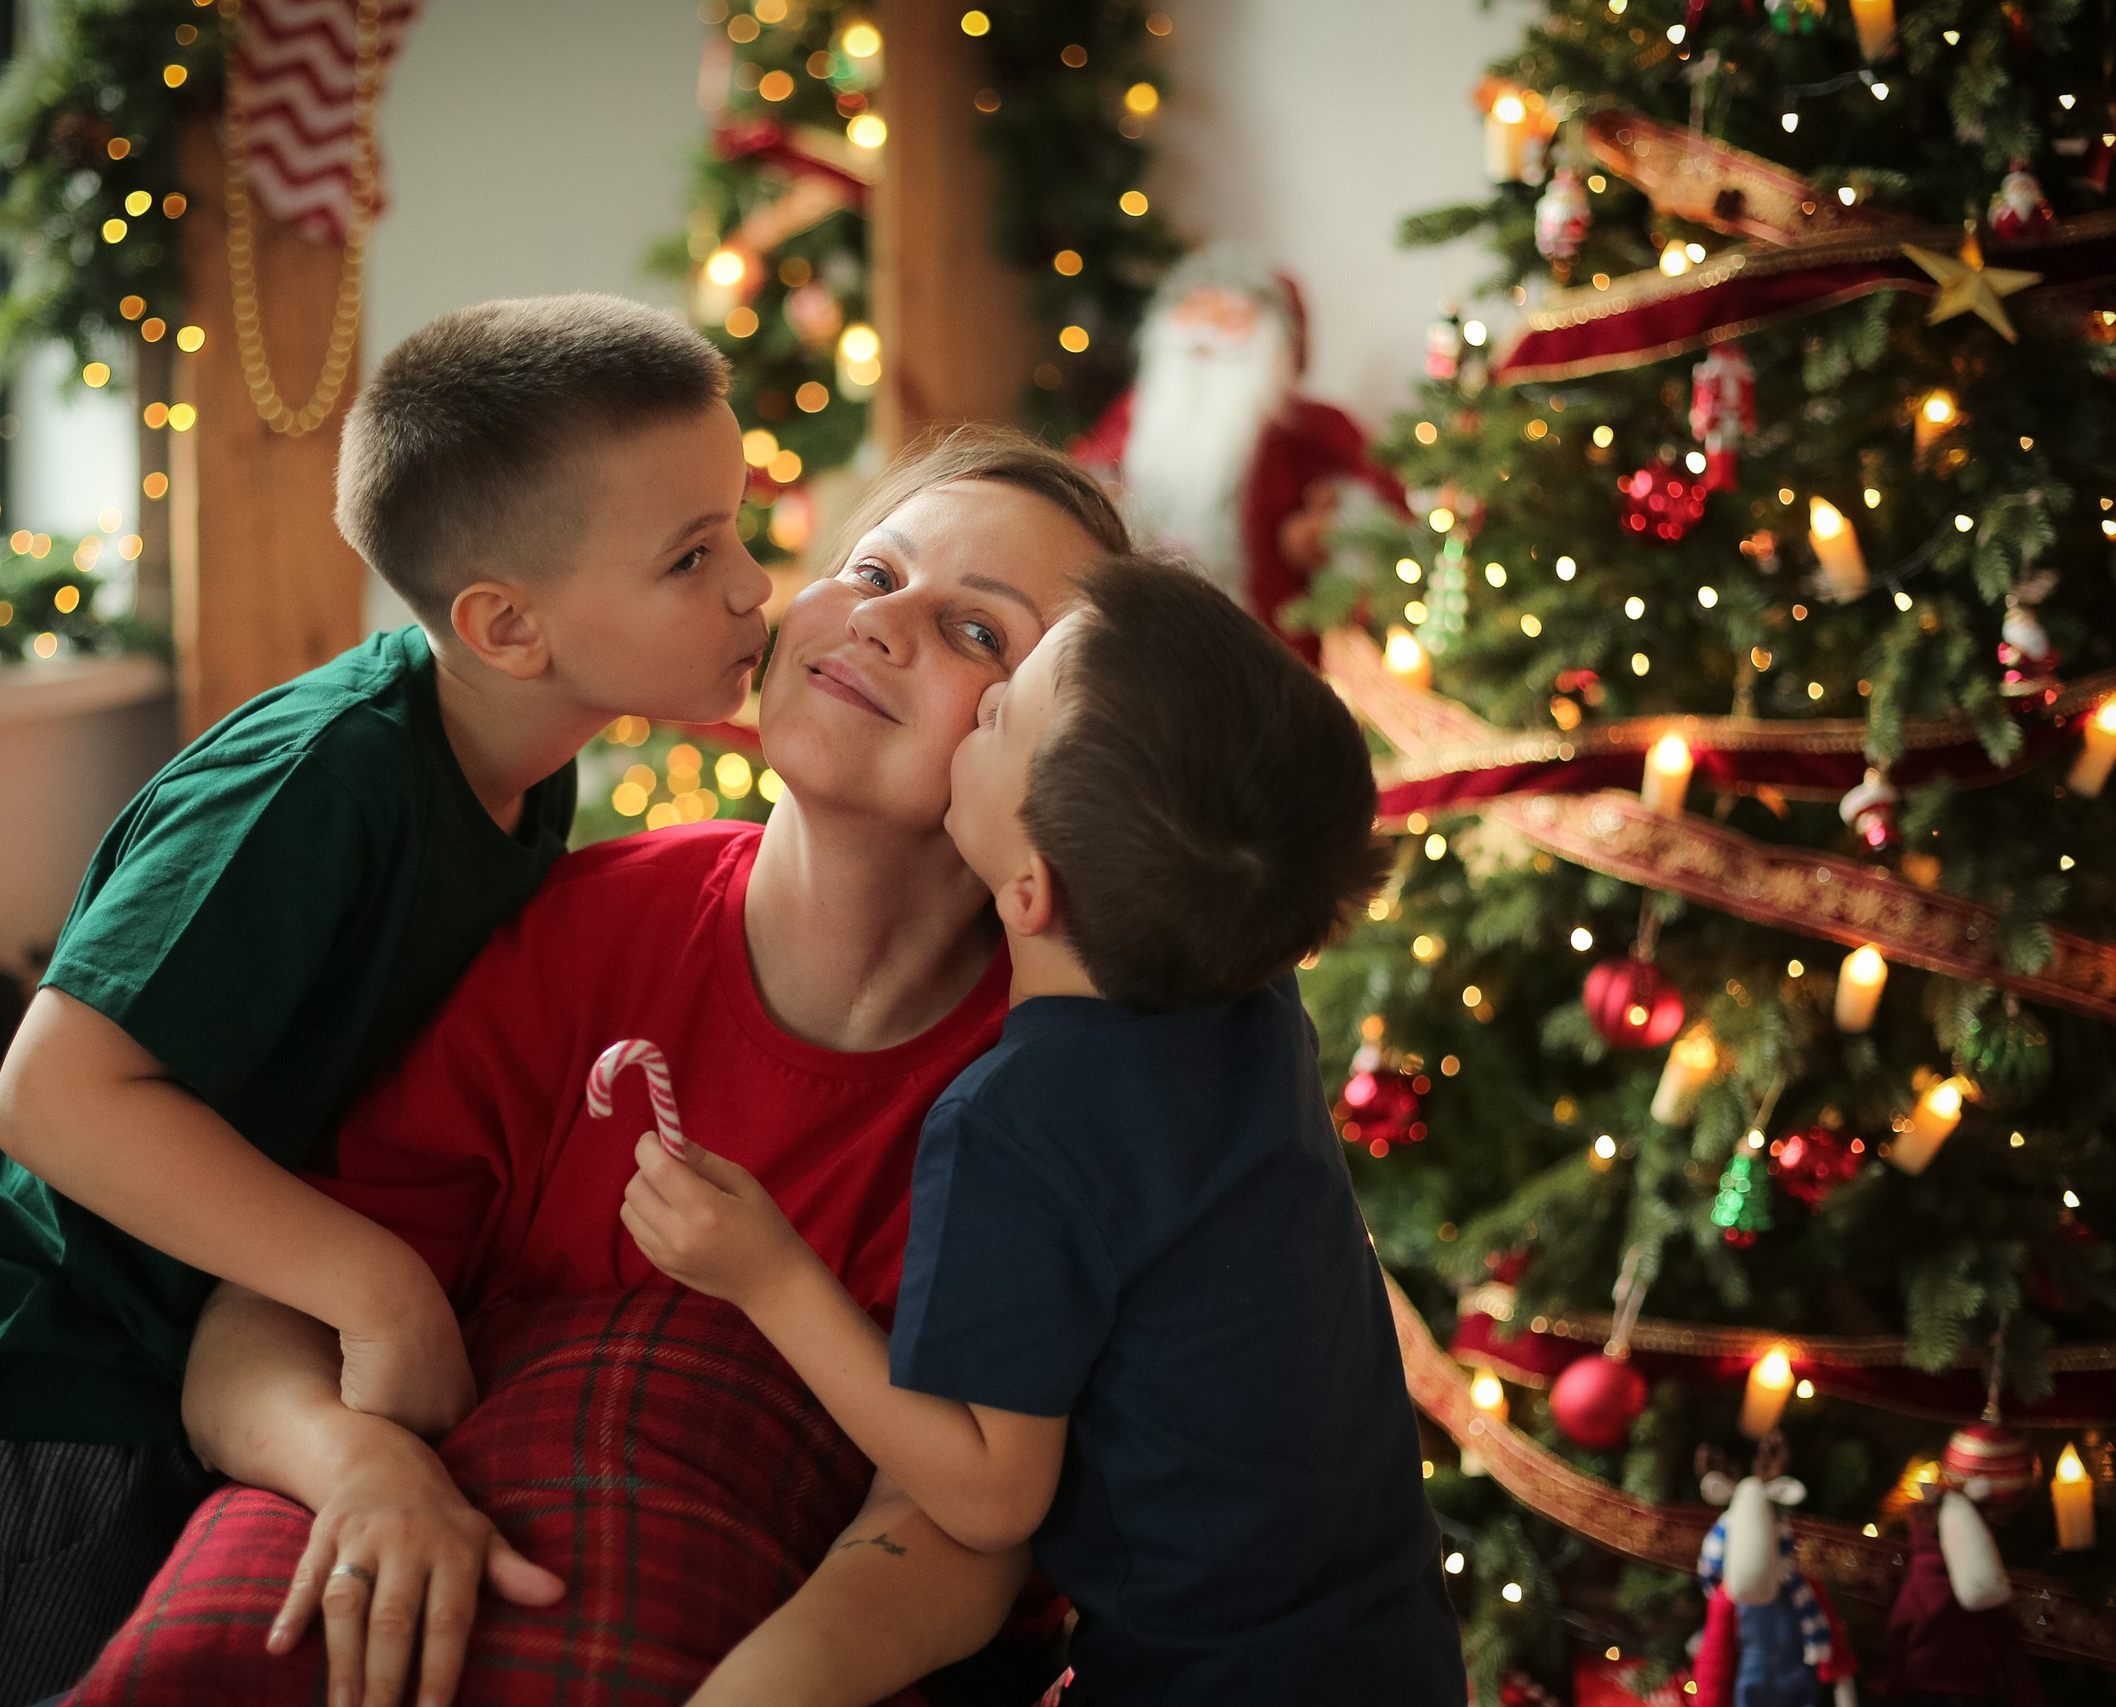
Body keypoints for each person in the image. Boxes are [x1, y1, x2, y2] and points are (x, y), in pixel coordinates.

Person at [0, 294, 775, 1706]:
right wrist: (375, 1281)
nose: (755, 585)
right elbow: (53, 1094)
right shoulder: (318, 783)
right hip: (28, 1380)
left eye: (738, 529)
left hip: (181, 1365)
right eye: (694, 556)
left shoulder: (523, 772)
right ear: (507, 625)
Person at [174, 428, 1132, 1707]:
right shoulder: (583, 932)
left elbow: (958, 1525)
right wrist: (352, 1464)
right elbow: (262, 1317)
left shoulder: (1040, 1088)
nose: (885, 624)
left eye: (979, 636)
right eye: (874, 569)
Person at [625, 556, 1466, 1705]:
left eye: (999, 713)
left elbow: (987, 1493)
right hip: (1396, 1651)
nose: (978, 700)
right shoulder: (1243, 992)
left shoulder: (1017, 1124)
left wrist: (766, 1273)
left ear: (1028, 892)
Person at [1072, 248, 1405, 656]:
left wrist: (1332, 533)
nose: (1205, 331)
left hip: (1272, 648)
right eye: (1193, 310)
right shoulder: (1135, 413)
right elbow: (1083, 478)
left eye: (1231, 317)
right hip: (1145, 640)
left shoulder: (1316, 429)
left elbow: (1384, 521)